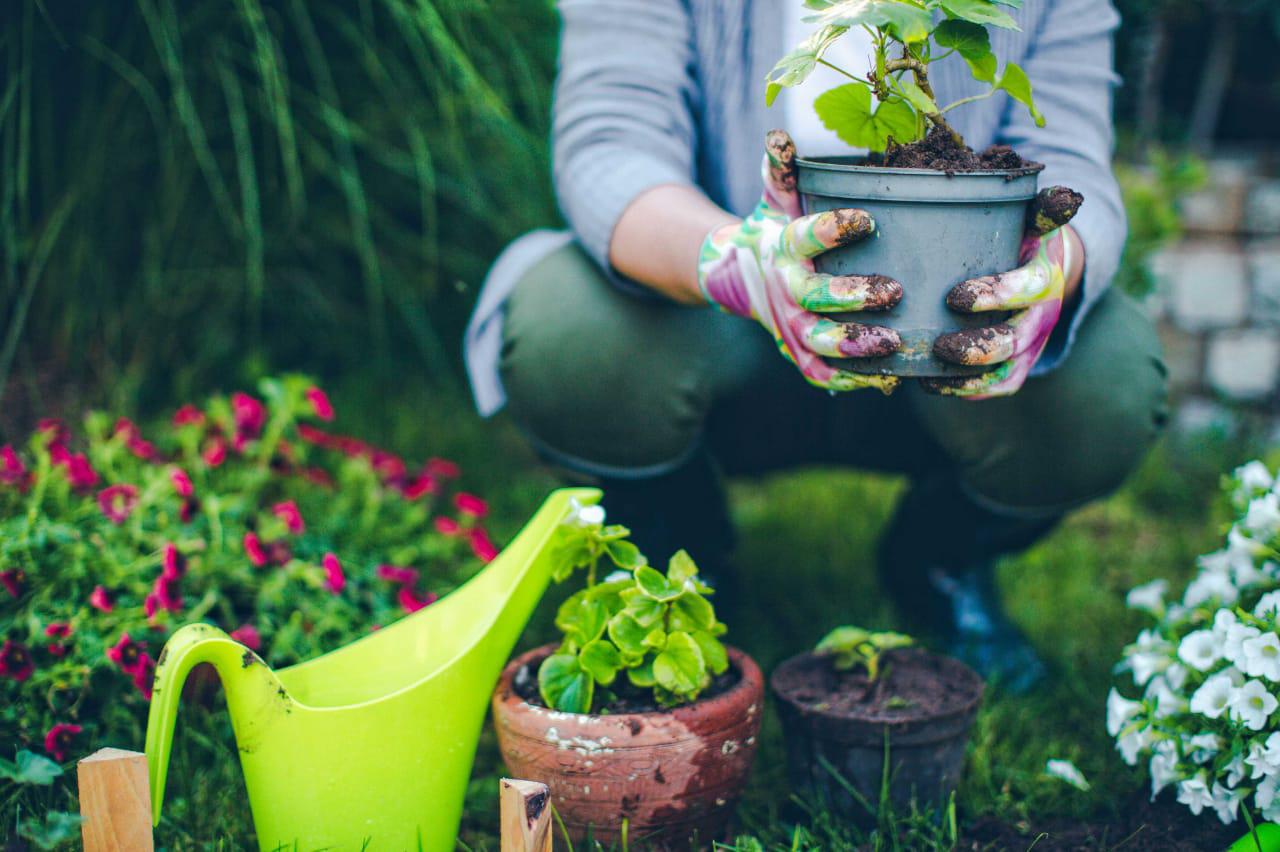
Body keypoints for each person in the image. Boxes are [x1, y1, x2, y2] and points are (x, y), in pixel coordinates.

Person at [465, 0, 1168, 690]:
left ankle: (939, 557)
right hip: (715, 326)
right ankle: (681, 545)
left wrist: (1054, 270)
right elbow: (611, 146)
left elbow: (1074, 162)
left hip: (947, 336)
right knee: (569, 331)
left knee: (1107, 381)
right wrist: (735, 263)